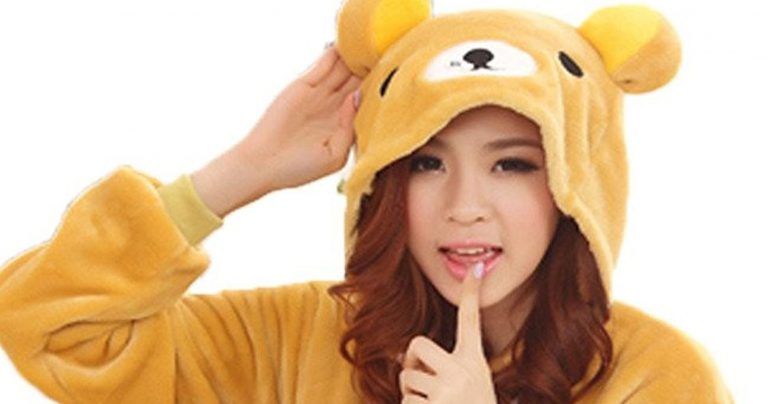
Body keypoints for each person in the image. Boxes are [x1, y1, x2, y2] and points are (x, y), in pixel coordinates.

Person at [0, 0, 732, 403]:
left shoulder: (655, 375)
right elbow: (49, 329)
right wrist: (243, 172)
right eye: (425, 163)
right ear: (384, 180)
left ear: (578, 181)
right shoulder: (298, 339)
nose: (465, 206)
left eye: (512, 165)